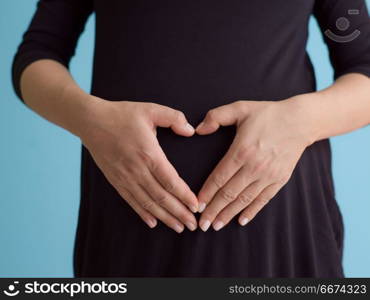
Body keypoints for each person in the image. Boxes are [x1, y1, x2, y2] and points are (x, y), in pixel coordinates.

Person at [12, 0, 370, 277]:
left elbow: (363, 63)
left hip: (281, 232)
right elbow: (38, 53)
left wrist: (300, 121)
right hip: (132, 226)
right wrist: (89, 119)